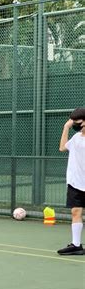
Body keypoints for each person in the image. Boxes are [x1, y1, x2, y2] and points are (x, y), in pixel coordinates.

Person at [57, 107, 85, 255]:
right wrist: (65, 127)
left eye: (77, 122)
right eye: (72, 121)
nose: (74, 124)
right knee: (76, 212)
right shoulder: (75, 138)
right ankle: (76, 245)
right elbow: (62, 147)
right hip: (75, 182)